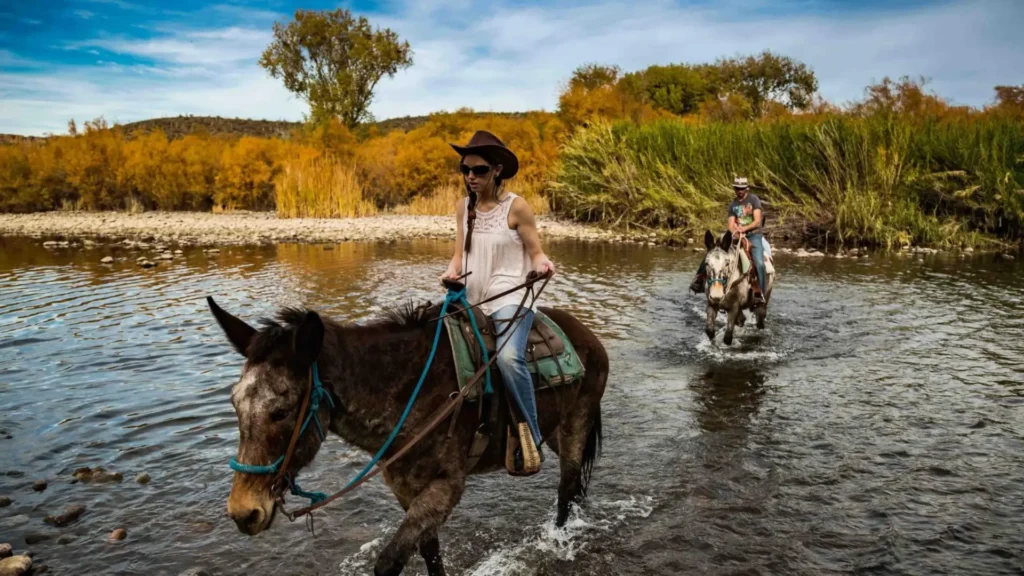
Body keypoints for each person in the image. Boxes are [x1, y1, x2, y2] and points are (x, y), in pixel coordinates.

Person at [439, 130, 555, 474]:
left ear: (497, 171)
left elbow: (536, 254)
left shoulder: (516, 207)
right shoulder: (463, 207)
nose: (471, 177)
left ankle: (532, 435)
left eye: (479, 170)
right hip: (471, 295)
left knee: (507, 357)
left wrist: (543, 266)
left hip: (510, 295)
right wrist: (450, 275)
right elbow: (458, 256)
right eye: (466, 170)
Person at [690, 177, 767, 306]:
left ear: (746, 189)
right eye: (737, 188)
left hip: (753, 235)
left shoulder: (754, 200)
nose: (740, 191)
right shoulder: (733, 205)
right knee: (713, 253)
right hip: (736, 235)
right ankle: (699, 279)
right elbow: (731, 224)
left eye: (742, 189)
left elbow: (757, 221)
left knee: (759, 263)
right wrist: (735, 231)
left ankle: (760, 293)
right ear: (734, 189)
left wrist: (744, 228)